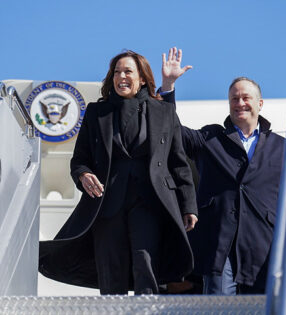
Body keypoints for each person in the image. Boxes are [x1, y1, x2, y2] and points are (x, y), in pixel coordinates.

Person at [39, 50, 198, 295]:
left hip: (150, 203)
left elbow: (178, 163)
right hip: (106, 205)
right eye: (116, 72)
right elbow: (79, 161)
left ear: (142, 78)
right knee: (111, 270)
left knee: (145, 264)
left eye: (127, 71)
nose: (121, 76)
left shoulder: (163, 112)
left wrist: (189, 205)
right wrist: (83, 175)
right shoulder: (96, 113)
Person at [160, 47, 285, 295]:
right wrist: (168, 87)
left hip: (264, 244)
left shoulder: (282, 147)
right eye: (234, 99)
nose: (240, 103)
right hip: (219, 243)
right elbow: (171, 132)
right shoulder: (211, 137)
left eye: (246, 98)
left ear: (260, 103)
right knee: (218, 306)